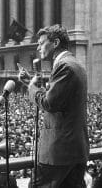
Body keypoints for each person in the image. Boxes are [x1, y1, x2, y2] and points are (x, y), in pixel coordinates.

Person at [18, 24, 89, 187]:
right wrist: (30, 82)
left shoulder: (64, 66)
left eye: (41, 43)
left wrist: (31, 88)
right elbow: (57, 99)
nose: (38, 47)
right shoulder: (74, 64)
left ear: (55, 43)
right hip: (72, 151)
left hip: (59, 153)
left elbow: (49, 103)